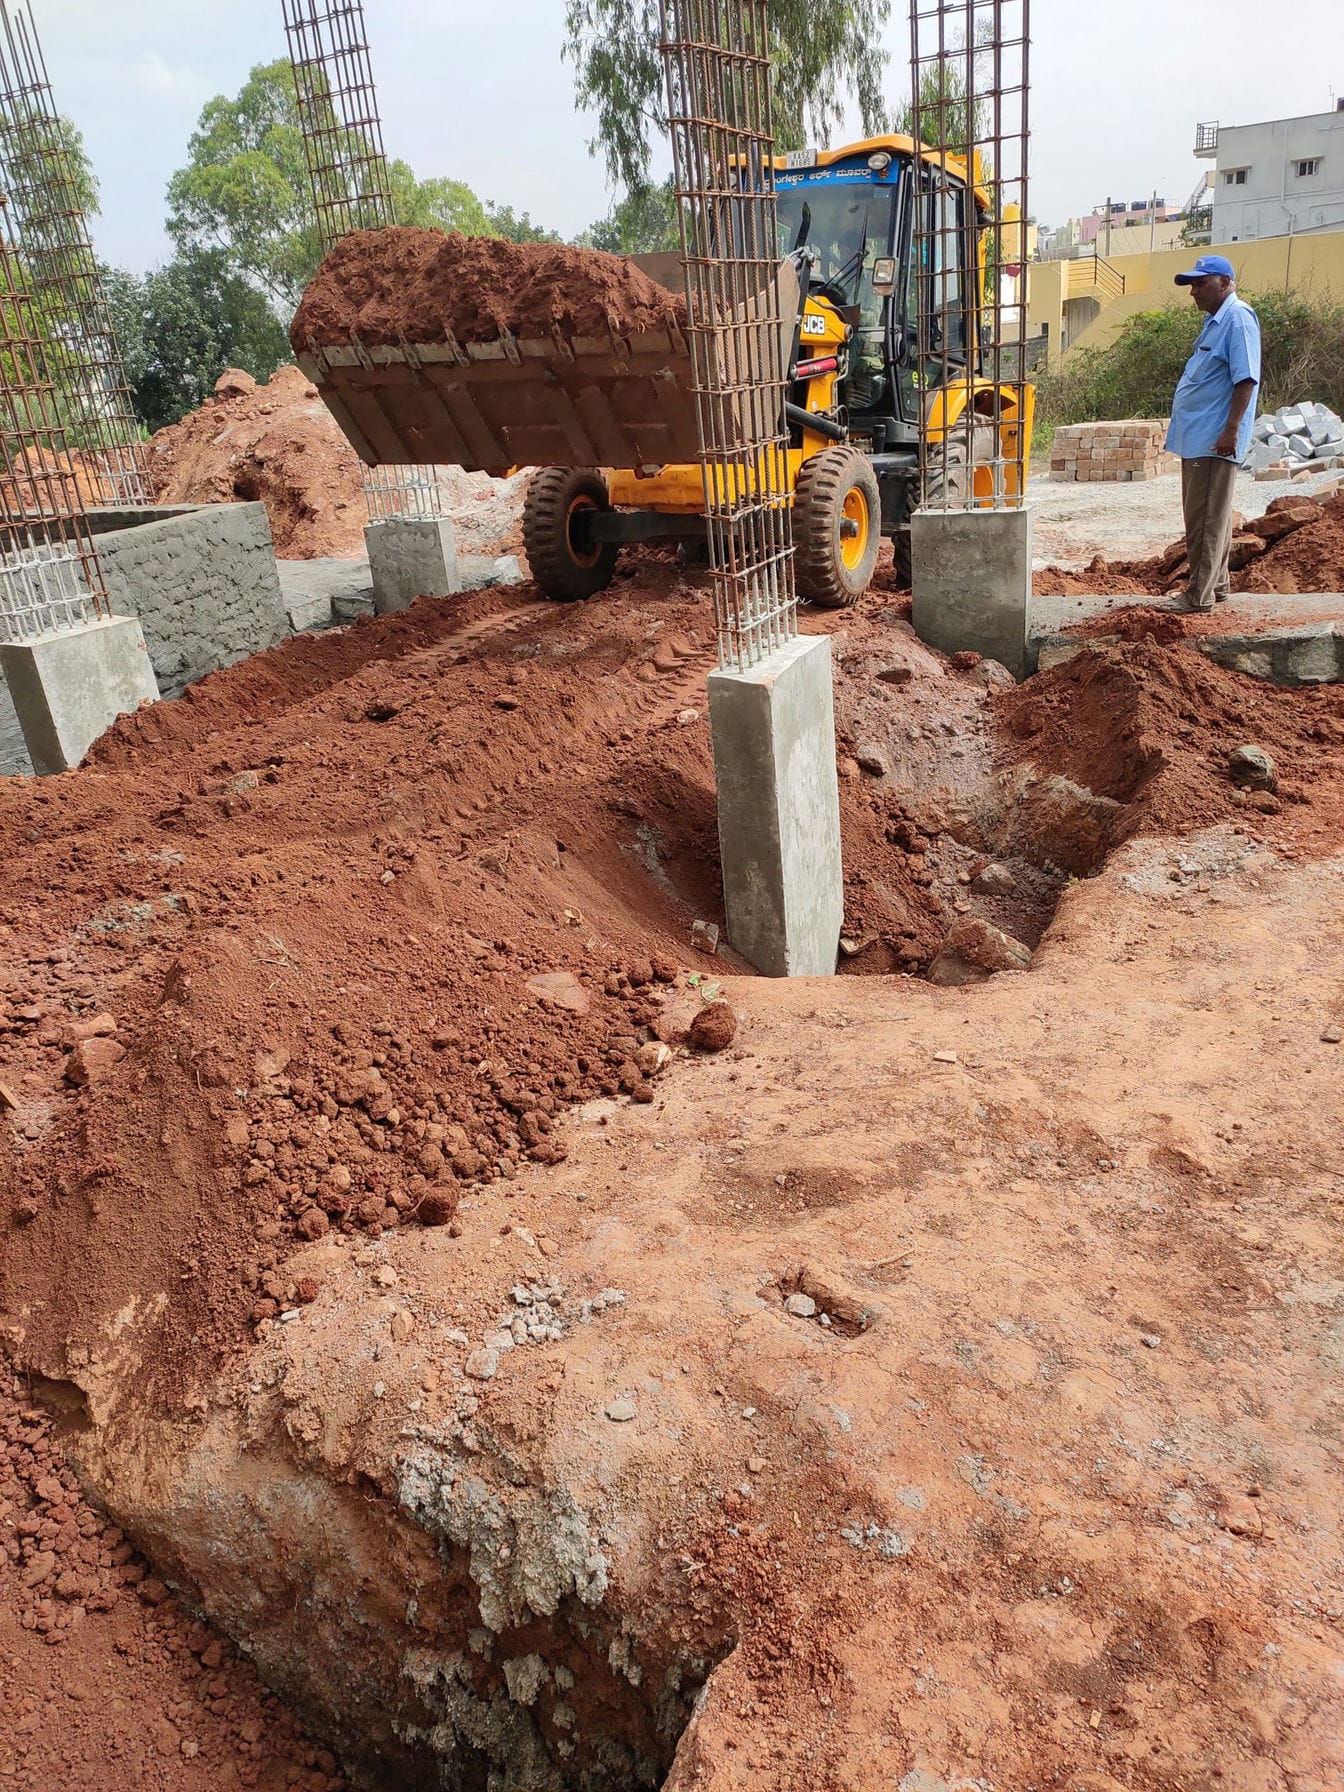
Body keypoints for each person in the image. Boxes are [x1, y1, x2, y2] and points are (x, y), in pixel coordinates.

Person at [1165, 254, 1261, 611]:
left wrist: (1230, 431)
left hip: (1213, 440)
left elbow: (1246, 379)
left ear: (1224, 282)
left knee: (1205, 519)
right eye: (1191, 284)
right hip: (1200, 437)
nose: (1193, 292)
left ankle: (1197, 596)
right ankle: (1216, 585)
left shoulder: (1237, 319)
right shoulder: (1216, 322)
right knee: (1209, 516)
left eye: (1200, 283)